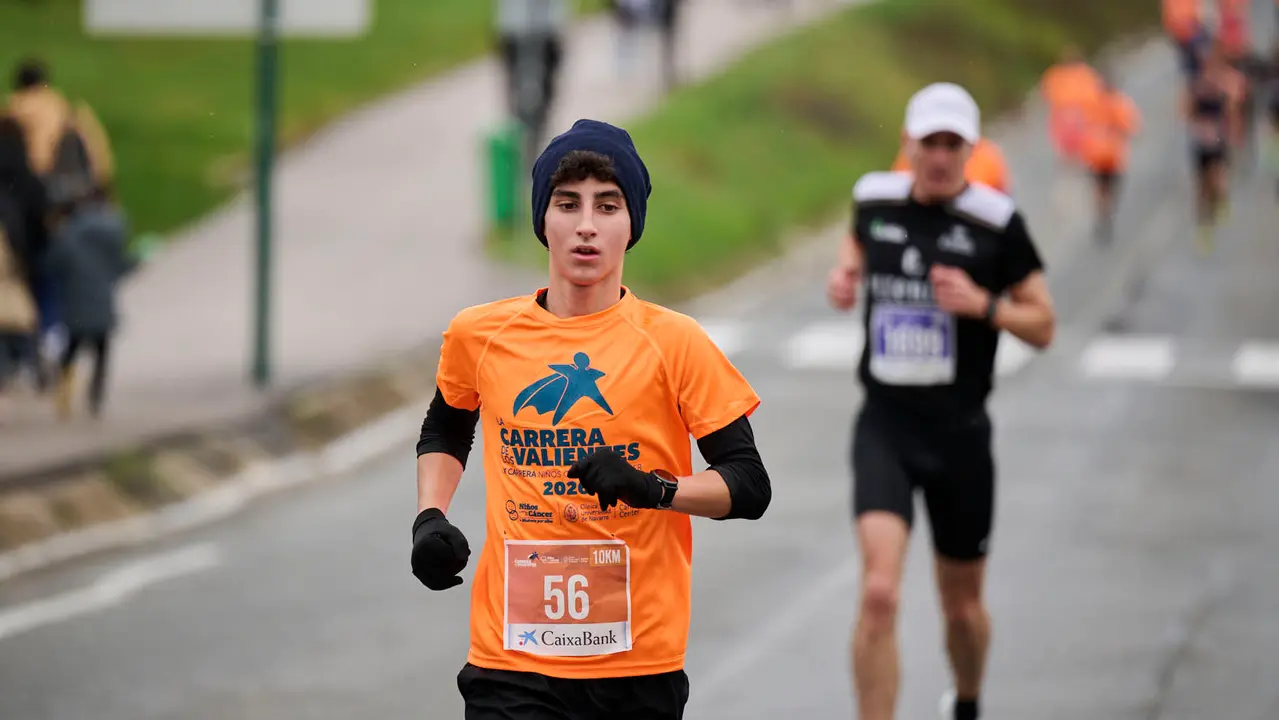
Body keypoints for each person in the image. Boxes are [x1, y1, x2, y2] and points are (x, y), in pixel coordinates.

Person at [410, 118, 772, 720]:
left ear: (631, 225)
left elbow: (749, 485)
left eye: (607, 206)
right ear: (542, 221)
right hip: (511, 661)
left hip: (635, 666)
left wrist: (653, 489)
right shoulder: (481, 334)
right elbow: (447, 426)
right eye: (567, 204)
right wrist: (429, 517)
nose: (586, 225)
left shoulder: (675, 343)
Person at [826, 83, 1056, 720]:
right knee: (879, 593)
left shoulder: (996, 222)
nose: (940, 156)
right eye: (929, 142)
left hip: (960, 435)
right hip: (886, 427)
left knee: (961, 607)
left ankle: (968, 702)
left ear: (970, 150)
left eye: (953, 144)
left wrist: (985, 305)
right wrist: (845, 274)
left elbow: (1044, 324)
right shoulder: (874, 198)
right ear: (908, 144)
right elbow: (856, 241)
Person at [44, 185, 134, 419]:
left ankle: (63, 393)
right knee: (102, 352)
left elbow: (54, 262)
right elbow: (119, 267)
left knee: (71, 348)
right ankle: (96, 396)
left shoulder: (70, 231)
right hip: (102, 301)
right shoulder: (114, 232)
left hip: (75, 301)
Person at [1184, 40, 1246, 251]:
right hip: (1202, 139)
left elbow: (1231, 111)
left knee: (1218, 174)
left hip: (1217, 138)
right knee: (1202, 183)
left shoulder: (1223, 85)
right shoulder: (1197, 86)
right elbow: (1187, 112)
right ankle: (1205, 223)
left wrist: (1234, 132)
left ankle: (1219, 200)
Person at [494, 0, 569, 157]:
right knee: (527, 99)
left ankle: (531, 149)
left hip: (542, 30)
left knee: (540, 99)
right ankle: (525, 152)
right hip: (523, 30)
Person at [1078, 70, 1142, 243]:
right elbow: (1130, 127)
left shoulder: (1093, 103)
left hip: (1098, 155)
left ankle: (1103, 213)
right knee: (1107, 189)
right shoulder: (1118, 103)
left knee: (1101, 189)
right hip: (1109, 156)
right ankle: (1105, 213)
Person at [1039, 46, 1103, 168]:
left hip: (1083, 116)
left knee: (1086, 146)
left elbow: (1095, 94)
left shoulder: (1084, 73)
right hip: (1063, 116)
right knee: (1068, 150)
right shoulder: (1055, 75)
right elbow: (1048, 94)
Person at [891, 136, 1011, 195]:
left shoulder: (988, 158)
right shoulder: (909, 160)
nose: (940, 160)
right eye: (929, 142)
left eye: (953, 144)